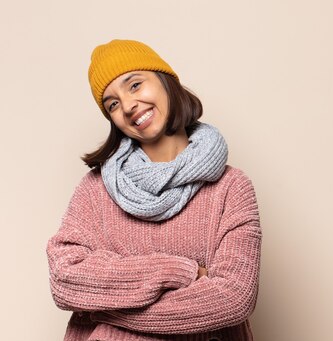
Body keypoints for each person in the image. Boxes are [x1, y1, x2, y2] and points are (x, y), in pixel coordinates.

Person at [46, 39, 262, 341]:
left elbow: (233, 299)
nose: (129, 106)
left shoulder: (231, 188)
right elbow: (65, 280)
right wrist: (179, 272)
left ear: (165, 81)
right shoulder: (96, 189)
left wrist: (101, 308)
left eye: (134, 85)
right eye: (113, 104)